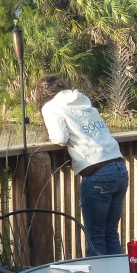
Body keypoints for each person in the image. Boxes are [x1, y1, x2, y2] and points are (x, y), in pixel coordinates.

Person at [32, 75, 129, 255]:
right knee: (110, 233)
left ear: (41, 94)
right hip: (119, 167)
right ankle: (117, 272)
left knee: (96, 235)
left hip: (97, 172)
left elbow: (60, 138)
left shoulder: (51, 107)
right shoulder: (83, 101)